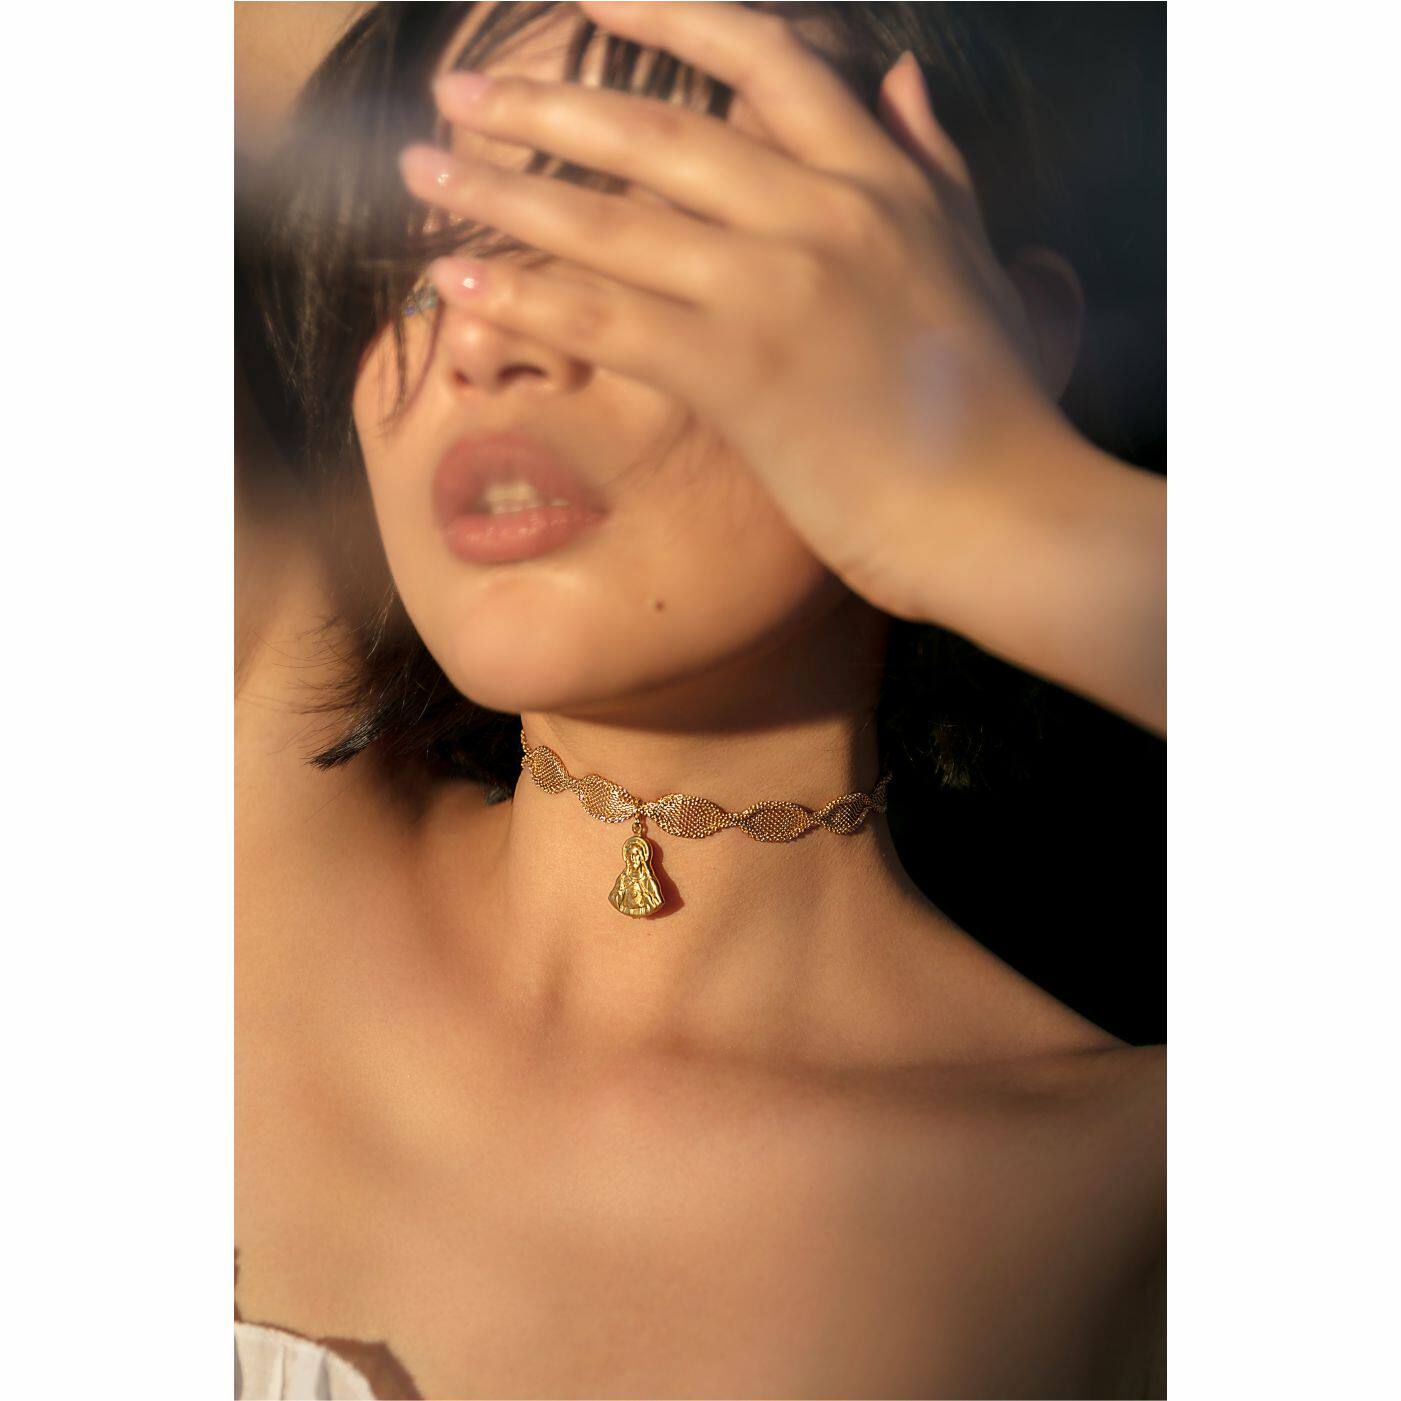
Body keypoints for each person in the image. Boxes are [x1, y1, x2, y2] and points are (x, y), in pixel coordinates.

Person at [235, 3, 1166, 1397]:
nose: (484, 347)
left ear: (993, 343)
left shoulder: (1135, 1199)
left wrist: (999, 502)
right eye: (416, 274)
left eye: (640, 251)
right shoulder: (223, 823)